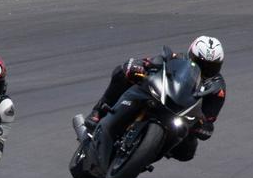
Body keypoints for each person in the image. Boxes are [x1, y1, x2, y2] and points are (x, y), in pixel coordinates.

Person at [76, 35, 226, 170]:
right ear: (191, 55)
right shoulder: (177, 59)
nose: (204, 69)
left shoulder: (217, 88)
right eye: (200, 63)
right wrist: (140, 65)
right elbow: (153, 62)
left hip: (182, 116)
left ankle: (147, 152)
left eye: (211, 67)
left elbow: (209, 118)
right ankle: (98, 111)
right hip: (159, 95)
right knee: (122, 73)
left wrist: (204, 126)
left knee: (187, 152)